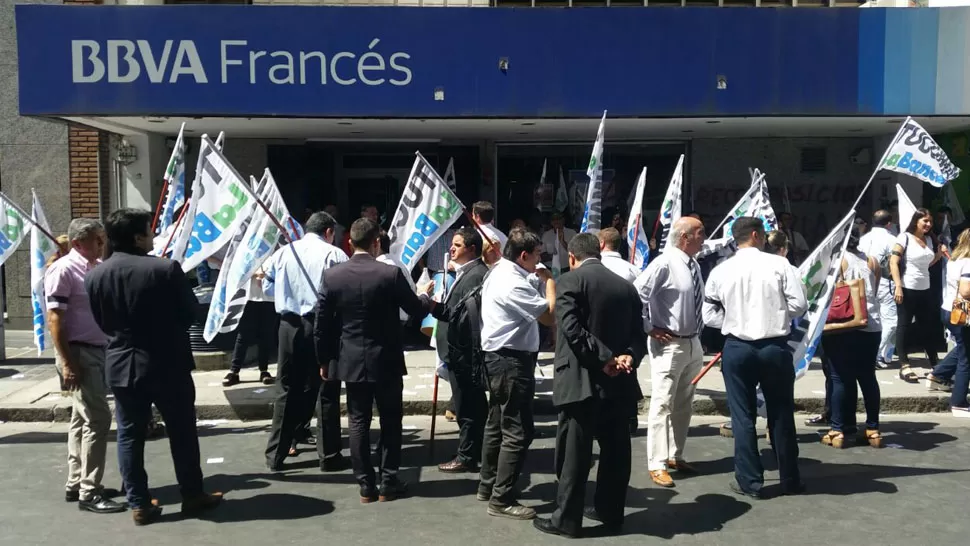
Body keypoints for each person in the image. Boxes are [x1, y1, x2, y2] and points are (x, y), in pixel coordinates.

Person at [85, 208, 222, 526]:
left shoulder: (94, 275)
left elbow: (101, 321)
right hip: (166, 362)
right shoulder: (165, 269)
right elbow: (190, 314)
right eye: (149, 230)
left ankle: (139, 503)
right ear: (137, 237)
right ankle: (192, 495)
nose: (152, 235)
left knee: (129, 436)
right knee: (182, 432)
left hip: (121, 364)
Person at [314, 218, 438, 503]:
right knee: (391, 420)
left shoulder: (333, 276)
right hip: (386, 358)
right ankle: (388, 479)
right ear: (376, 243)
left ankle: (365, 485)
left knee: (358, 420)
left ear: (350, 242)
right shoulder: (389, 274)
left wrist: (324, 359)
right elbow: (416, 310)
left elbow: (322, 324)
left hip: (352, 358)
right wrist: (424, 294)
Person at [533, 234, 645, 539]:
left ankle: (566, 519)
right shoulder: (626, 286)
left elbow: (571, 329)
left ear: (572, 256)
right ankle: (610, 511)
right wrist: (627, 357)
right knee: (615, 452)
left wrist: (606, 359)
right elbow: (639, 335)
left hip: (582, 381)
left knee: (574, 454)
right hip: (619, 382)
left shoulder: (570, 281)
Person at [702, 217, 807, 498]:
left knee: (742, 416)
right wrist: (774, 313)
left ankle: (750, 481)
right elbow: (799, 305)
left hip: (737, 346)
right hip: (773, 346)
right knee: (782, 413)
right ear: (757, 235)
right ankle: (790, 477)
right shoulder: (780, 265)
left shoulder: (721, 270)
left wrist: (736, 317)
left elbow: (709, 314)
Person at [46, 219, 124, 514]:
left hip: (97, 349)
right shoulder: (64, 270)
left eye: (103, 239)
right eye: (97, 240)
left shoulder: (96, 267)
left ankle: (76, 482)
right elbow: (55, 319)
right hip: (78, 352)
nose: (102, 245)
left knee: (81, 419)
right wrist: (67, 362)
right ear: (79, 243)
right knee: (98, 419)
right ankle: (89, 492)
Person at [478, 228, 556, 520]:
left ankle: (489, 485)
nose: (540, 261)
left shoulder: (503, 273)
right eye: (537, 256)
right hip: (510, 361)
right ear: (524, 256)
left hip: (500, 357)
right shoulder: (512, 282)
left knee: (497, 423)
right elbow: (548, 315)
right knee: (517, 431)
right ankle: (502, 498)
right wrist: (550, 282)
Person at [261, 211, 348, 472]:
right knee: (327, 389)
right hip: (323, 324)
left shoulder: (284, 253)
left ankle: (276, 454)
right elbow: (343, 293)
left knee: (286, 388)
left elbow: (267, 290)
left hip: (288, 325)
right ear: (329, 232)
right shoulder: (335, 255)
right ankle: (329, 455)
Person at [634, 217, 707, 489]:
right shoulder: (664, 263)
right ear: (685, 236)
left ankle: (675, 454)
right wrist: (648, 327)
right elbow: (636, 295)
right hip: (670, 343)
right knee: (662, 403)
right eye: (700, 233)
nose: (704, 237)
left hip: (692, 341)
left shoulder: (693, 264)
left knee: (684, 401)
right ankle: (657, 463)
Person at [820, 225, 883, 449]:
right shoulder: (872, 261)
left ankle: (837, 429)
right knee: (867, 377)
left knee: (839, 378)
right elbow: (873, 291)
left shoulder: (838, 261)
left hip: (845, 325)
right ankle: (873, 428)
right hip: (872, 324)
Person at [435, 227, 490, 473]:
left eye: (457, 245)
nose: (451, 249)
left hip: (464, 353)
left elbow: (458, 314)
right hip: (457, 352)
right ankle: (476, 451)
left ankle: (467, 456)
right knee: (470, 405)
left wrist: (427, 305)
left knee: (467, 406)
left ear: (471, 249)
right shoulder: (464, 272)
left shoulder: (476, 274)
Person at [890, 208, 946, 383]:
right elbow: (894, 262)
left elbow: (928, 263)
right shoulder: (904, 238)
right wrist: (898, 286)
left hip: (925, 288)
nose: (928, 225)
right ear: (916, 221)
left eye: (930, 222)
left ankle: (934, 362)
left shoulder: (929, 240)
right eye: (925, 221)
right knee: (904, 325)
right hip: (907, 287)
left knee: (927, 326)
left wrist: (938, 254)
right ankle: (904, 365)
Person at [927, 228, 970, 413]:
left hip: (948, 310)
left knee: (963, 347)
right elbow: (966, 291)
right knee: (966, 357)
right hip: (962, 313)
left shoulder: (955, 260)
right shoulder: (968, 263)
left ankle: (938, 375)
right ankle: (959, 401)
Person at [859, 210, 899, 369]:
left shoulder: (864, 238)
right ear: (889, 224)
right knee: (891, 321)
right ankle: (874, 354)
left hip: (864, 281)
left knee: (873, 319)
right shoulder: (891, 239)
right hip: (884, 281)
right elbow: (894, 262)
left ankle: (878, 355)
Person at [222, 273, 276, 387]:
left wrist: (266, 274)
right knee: (243, 335)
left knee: (265, 335)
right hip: (249, 298)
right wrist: (254, 272)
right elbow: (240, 271)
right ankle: (234, 371)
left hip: (269, 298)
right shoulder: (247, 255)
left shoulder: (273, 255)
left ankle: (264, 370)